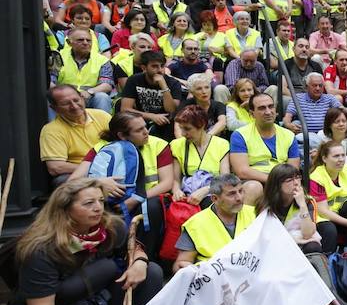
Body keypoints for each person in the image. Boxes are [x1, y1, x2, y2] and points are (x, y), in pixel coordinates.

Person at [4, 179, 163, 305]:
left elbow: (131, 247)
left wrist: (139, 261)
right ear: (64, 209)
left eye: (101, 201)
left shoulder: (109, 227)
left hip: (87, 304)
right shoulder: (41, 250)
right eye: (88, 203)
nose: (98, 208)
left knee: (152, 272)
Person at [71, 111, 174, 260]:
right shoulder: (102, 148)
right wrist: (99, 182)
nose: (146, 132)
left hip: (148, 198)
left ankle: (145, 258)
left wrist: (135, 199)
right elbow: (72, 182)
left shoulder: (158, 144)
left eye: (146, 127)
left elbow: (167, 183)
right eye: (139, 130)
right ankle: (104, 258)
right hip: (111, 200)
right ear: (122, 135)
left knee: (151, 207)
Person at [173, 174, 258, 269]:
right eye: (232, 194)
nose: (239, 198)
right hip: (214, 279)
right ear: (215, 199)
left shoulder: (256, 215)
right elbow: (181, 264)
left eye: (241, 191)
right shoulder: (195, 225)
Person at [229, 92, 300, 205]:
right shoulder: (240, 135)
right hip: (254, 180)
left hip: (282, 180)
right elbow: (242, 171)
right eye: (262, 108)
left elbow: (293, 168)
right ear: (252, 114)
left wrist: (282, 181)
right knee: (253, 187)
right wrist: (273, 180)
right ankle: (247, 222)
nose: (268, 112)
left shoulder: (289, 135)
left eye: (271, 106)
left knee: (294, 186)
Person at [306, 140, 347, 254]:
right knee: (330, 230)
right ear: (324, 158)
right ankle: (328, 261)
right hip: (324, 218)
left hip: (342, 213)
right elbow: (323, 211)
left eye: (343, 155)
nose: (341, 159)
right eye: (336, 156)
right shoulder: (316, 177)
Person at [40, 85, 111, 186]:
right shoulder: (51, 130)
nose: (74, 106)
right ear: (54, 108)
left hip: (111, 167)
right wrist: (95, 170)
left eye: (76, 100)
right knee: (65, 181)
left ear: (82, 97)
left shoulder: (102, 116)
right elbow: (55, 167)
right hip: (81, 174)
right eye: (65, 103)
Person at [170, 105, 231, 208]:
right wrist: (176, 191)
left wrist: (205, 190)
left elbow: (224, 178)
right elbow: (176, 180)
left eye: (188, 129)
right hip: (187, 194)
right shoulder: (176, 145)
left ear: (202, 125)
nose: (183, 133)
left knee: (210, 202)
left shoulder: (221, 144)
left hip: (214, 192)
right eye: (181, 129)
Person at [255, 164, 321, 253]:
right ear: (277, 184)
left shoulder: (308, 201)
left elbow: (308, 234)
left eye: (298, 178)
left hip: (299, 241)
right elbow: (265, 235)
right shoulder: (265, 204)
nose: (296, 183)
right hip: (275, 244)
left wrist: (302, 205)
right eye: (290, 180)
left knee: (313, 246)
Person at [120, 50, 182, 140]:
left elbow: (171, 110)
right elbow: (125, 109)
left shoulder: (173, 83)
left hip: (165, 122)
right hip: (139, 119)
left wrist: (164, 86)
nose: (160, 70)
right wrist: (152, 116)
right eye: (154, 66)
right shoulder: (134, 80)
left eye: (162, 66)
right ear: (144, 68)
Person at [52, 28, 114, 114]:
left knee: (102, 97)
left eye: (88, 40)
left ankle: (104, 126)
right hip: (63, 96)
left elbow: (107, 85)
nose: (85, 43)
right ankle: (52, 127)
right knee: (50, 98)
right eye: (80, 40)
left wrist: (89, 92)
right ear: (69, 43)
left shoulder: (102, 60)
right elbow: (51, 82)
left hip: (89, 96)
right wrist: (66, 95)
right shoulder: (58, 57)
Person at [283, 73, 343, 152]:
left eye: (320, 85)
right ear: (307, 86)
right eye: (314, 85)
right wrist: (289, 125)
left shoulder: (329, 98)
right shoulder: (298, 98)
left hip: (325, 136)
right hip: (306, 137)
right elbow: (287, 117)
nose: (318, 88)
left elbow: (342, 111)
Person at [175, 73, 226, 137]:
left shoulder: (218, 105)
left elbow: (222, 122)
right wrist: (182, 143)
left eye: (207, 87)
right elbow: (178, 126)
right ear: (192, 91)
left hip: (212, 140)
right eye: (199, 89)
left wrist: (206, 138)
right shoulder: (186, 105)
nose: (204, 92)